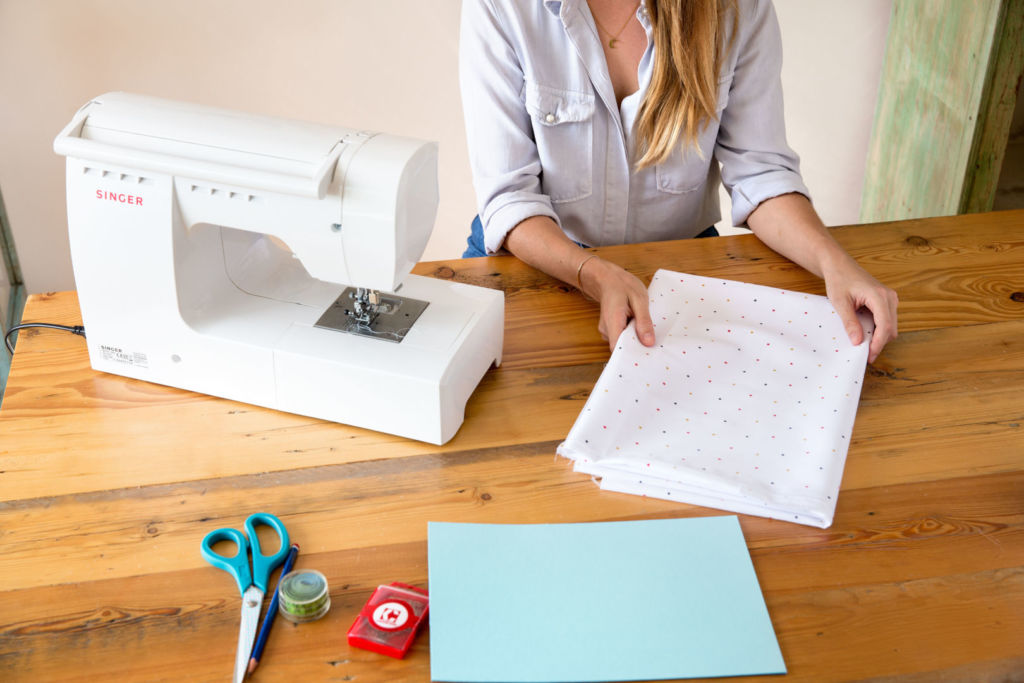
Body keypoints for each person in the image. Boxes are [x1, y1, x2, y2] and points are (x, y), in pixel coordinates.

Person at [459, 0, 898, 363]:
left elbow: (759, 173)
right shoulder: (502, 6)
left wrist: (834, 263)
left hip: (674, 274)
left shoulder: (737, 9)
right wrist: (590, 272)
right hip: (532, 262)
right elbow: (509, 196)